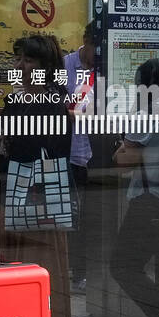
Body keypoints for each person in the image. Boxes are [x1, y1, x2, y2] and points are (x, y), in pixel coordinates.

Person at [0, 34, 73, 317]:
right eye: (18, 59)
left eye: (27, 60)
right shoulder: (17, 98)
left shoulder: (53, 100)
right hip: (20, 186)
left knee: (40, 253)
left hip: (38, 188)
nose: (20, 65)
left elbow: (51, 147)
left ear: (44, 66)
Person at [110, 58, 159, 317]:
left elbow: (124, 162)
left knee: (123, 265)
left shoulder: (147, 113)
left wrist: (121, 146)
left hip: (150, 202)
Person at [63, 22, 96, 294]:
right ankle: (76, 274)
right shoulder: (65, 66)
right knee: (73, 217)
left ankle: (85, 273)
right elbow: (56, 106)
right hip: (70, 153)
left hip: (98, 154)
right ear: (85, 40)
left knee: (89, 219)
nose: (99, 53)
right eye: (97, 46)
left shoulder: (106, 68)